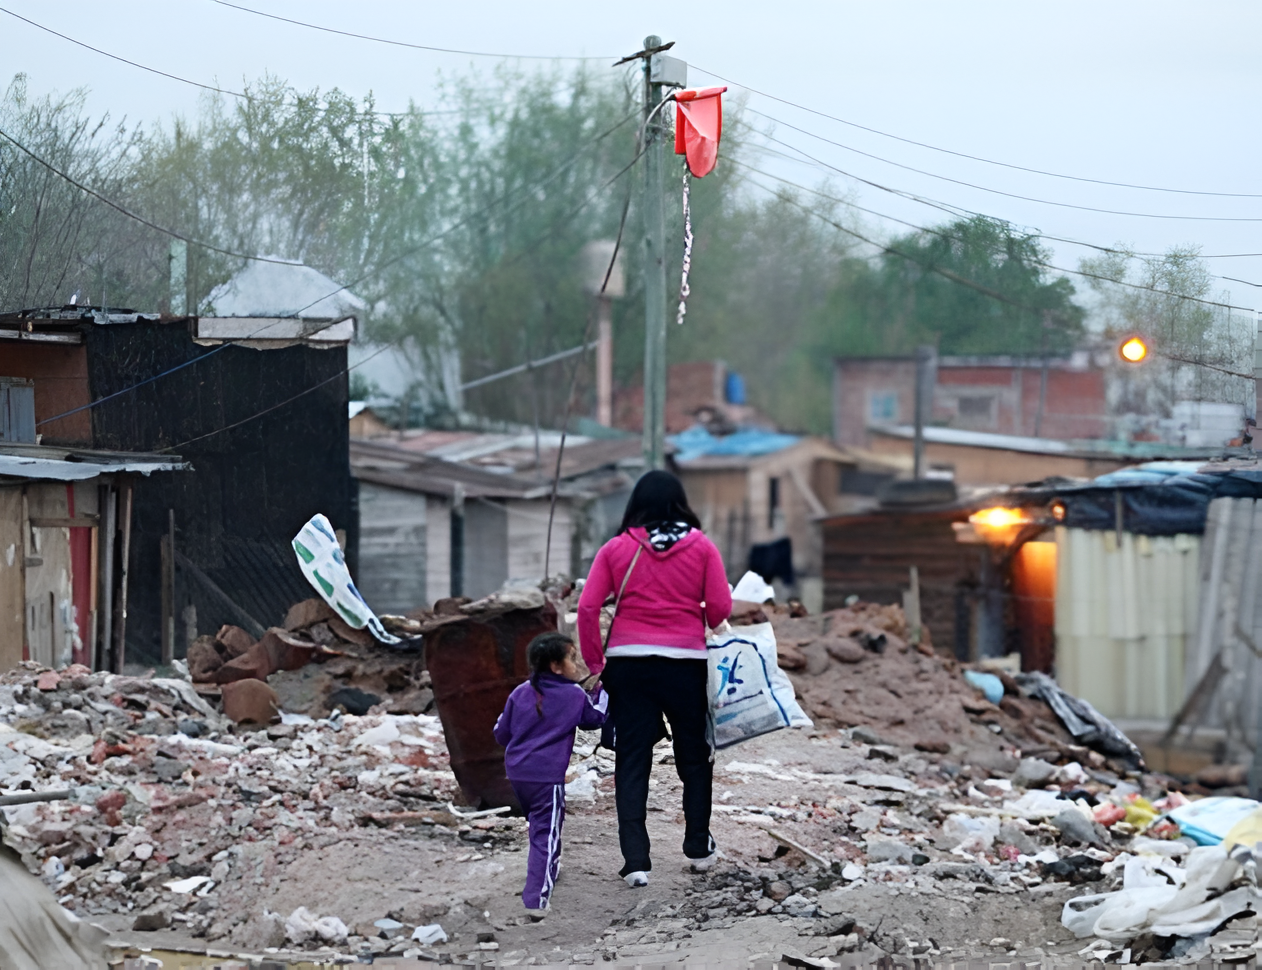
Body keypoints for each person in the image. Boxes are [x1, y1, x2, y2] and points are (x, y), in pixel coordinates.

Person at [577, 470, 732, 887]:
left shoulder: (616, 548)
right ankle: (698, 847)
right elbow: (719, 609)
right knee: (694, 756)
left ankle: (637, 862)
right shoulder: (701, 547)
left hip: (628, 664)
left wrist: (596, 663)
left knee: (632, 757)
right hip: (685, 664)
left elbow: (589, 607)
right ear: (681, 502)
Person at [493, 632, 608, 918]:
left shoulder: (520, 692)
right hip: (547, 776)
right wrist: (603, 692)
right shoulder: (573, 694)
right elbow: (596, 719)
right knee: (546, 833)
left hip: (518, 772)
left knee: (539, 826)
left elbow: (501, 734)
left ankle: (549, 870)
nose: (576, 662)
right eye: (571, 658)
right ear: (556, 666)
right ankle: (537, 900)